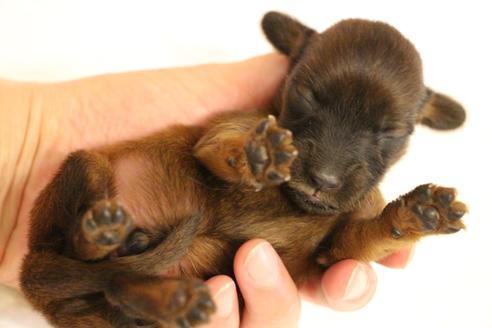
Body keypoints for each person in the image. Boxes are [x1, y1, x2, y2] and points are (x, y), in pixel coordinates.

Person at [0, 53, 413, 327]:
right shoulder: (264, 128)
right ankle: (91, 247)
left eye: (383, 134)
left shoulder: (360, 202)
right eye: (311, 101)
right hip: (86, 219)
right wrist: (246, 155)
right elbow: (215, 146)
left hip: (144, 283)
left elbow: (348, 247)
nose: (327, 168)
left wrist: (396, 224)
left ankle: (123, 279)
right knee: (85, 171)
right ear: (295, 70)